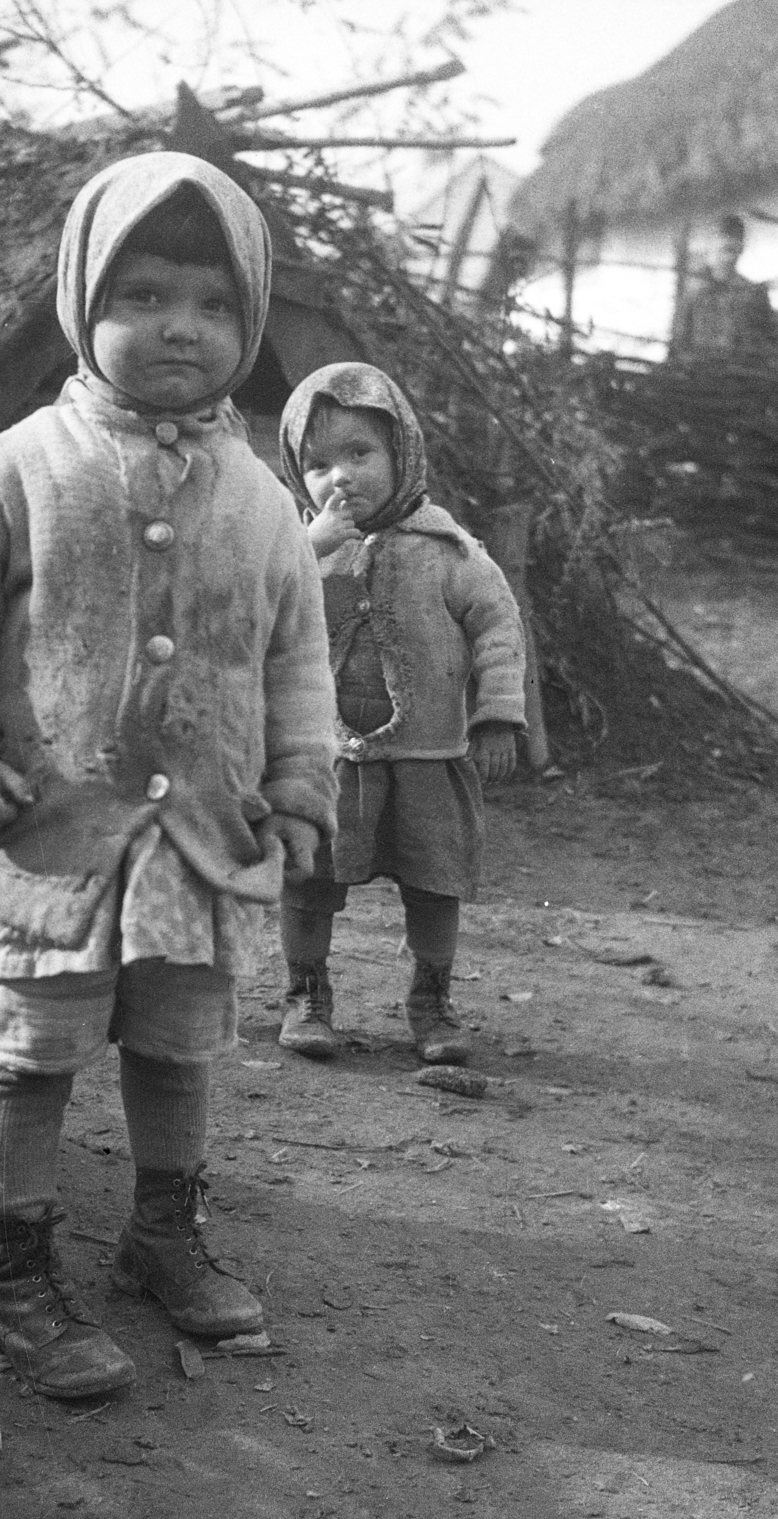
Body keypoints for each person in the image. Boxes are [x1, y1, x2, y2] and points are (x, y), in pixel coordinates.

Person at [0, 152, 337, 1399]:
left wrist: (300, 785)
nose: (177, 328)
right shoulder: (18, 464)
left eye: (209, 303)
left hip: (202, 836)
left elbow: (296, 661)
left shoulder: (261, 499)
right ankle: (18, 1273)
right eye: (141, 294)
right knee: (30, 1053)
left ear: (248, 323)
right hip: (46, 832)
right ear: (82, 299)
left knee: (176, 1047)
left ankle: (160, 1233)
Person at [274, 363, 527, 1066]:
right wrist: (309, 548)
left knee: (433, 879)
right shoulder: (293, 550)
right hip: (327, 758)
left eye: (360, 455)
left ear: (402, 453)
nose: (340, 478)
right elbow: (257, 615)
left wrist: (497, 716)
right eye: (318, 463)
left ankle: (431, 999)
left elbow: (498, 629)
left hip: (425, 755)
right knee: (309, 879)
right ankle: (306, 992)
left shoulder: (448, 550)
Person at [671, 213, 777, 363]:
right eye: (724, 250)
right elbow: (680, 344)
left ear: (741, 250)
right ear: (711, 248)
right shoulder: (694, 294)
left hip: (738, 375)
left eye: (734, 250)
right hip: (699, 373)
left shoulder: (754, 293)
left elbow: (769, 344)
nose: (729, 258)